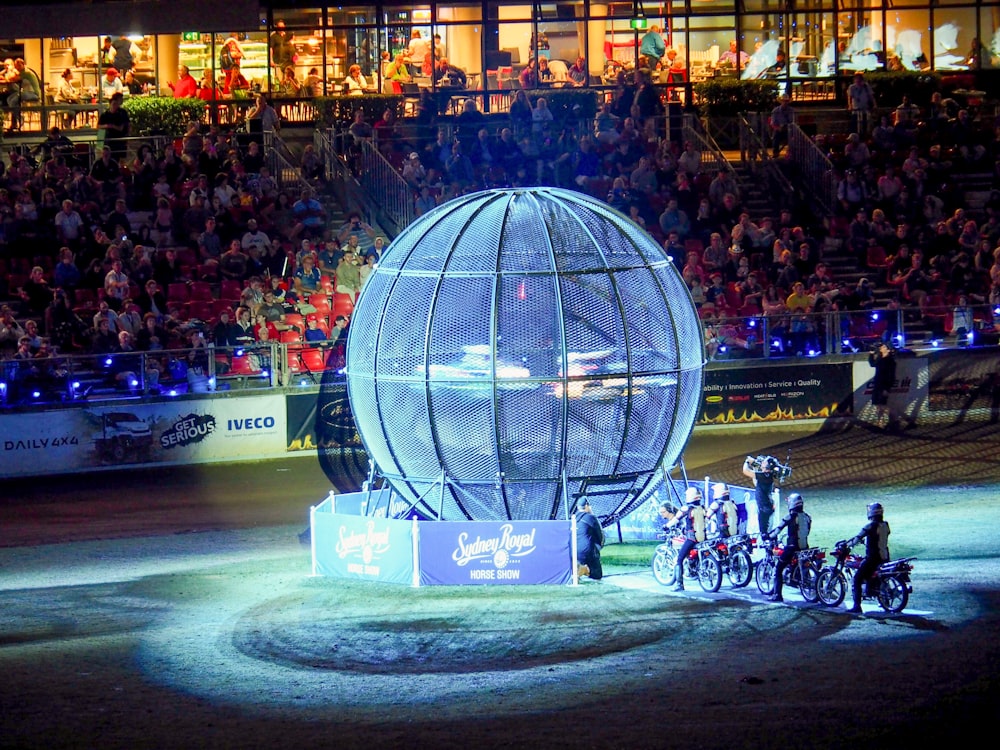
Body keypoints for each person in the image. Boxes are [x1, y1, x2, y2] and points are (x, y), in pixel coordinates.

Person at [847, 502, 891, 613]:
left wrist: (848, 545)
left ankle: (857, 606)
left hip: (873, 559)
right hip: (885, 557)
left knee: (857, 579)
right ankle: (883, 599)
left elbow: (858, 537)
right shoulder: (885, 525)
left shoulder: (870, 525)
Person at [766, 493, 811, 602]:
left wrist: (768, 536)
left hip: (792, 547)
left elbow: (778, 529)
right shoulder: (807, 517)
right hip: (805, 547)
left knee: (778, 568)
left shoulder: (790, 516)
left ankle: (777, 595)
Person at [743, 455, 779, 534]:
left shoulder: (764, 476)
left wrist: (747, 462)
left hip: (765, 508)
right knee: (765, 531)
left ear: (768, 466)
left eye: (764, 462)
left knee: (764, 532)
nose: (762, 462)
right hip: (766, 506)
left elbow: (745, 471)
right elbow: (757, 483)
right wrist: (754, 465)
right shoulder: (767, 475)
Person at [6, 58, 41, 133]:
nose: (18, 67)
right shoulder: (23, 72)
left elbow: (12, 78)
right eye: (16, 66)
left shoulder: (26, 72)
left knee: (13, 101)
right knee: (10, 99)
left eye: (19, 65)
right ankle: (15, 121)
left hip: (33, 93)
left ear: (23, 64)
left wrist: (11, 71)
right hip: (26, 92)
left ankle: (19, 119)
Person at [868, 341, 897, 429]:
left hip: (883, 385)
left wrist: (887, 388)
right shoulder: (880, 358)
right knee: (878, 404)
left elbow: (891, 376)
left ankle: (894, 419)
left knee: (883, 405)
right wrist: (871, 354)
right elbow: (872, 364)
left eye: (884, 347)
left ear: (888, 350)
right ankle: (880, 422)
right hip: (878, 384)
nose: (881, 348)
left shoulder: (890, 361)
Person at [574, 498, 604, 580]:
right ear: (586, 506)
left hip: (573, 551)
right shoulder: (590, 517)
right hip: (586, 551)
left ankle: (578, 568)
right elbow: (600, 536)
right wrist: (598, 549)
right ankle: (583, 569)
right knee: (598, 574)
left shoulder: (573, 518)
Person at [98, 93, 130, 162]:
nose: (115, 106)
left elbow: (122, 127)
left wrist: (113, 126)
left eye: (116, 104)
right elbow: (99, 126)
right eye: (114, 104)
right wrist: (107, 126)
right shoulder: (105, 114)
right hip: (108, 140)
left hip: (119, 139)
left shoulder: (121, 113)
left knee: (118, 158)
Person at [769, 94, 794, 158]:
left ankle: (791, 152)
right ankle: (775, 152)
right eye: (784, 101)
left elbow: (793, 121)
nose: (785, 102)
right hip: (778, 128)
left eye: (787, 101)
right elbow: (772, 123)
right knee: (776, 135)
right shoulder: (775, 111)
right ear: (781, 101)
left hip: (788, 128)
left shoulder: (791, 110)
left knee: (794, 135)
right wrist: (778, 128)